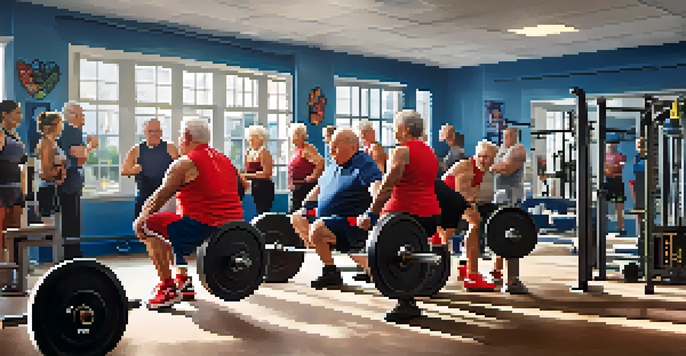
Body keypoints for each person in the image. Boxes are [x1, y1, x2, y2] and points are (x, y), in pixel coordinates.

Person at [134, 117, 244, 310]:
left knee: (149, 225)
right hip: (233, 230)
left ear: (186, 136)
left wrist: (141, 218)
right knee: (175, 221)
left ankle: (168, 289)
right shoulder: (226, 160)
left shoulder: (184, 163)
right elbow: (244, 186)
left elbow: (159, 196)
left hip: (202, 230)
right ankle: (183, 282)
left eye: (179, 135)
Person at [357, 109, 441, 322]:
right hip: (430, 216)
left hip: (403, 216)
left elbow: (387, 186)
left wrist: (371, 213)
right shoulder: (430, 152)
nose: (394, 132)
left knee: (380, 252)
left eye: (396, 128)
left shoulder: (401, 151)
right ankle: (414, 284)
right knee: (405, 253)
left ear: (404, 129)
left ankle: (406, 302)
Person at [291, 128, 382, 288]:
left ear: (353, 147)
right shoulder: (334, 164)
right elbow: (320, 187)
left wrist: (373, 212)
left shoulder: (363, 162)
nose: (331, 150)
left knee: (318, 229)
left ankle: (336, 262)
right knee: (297, 218)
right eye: (330, 146)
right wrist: (306, 204)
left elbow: (376, 185)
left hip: (353, 221)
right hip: (331, 219)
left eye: (336, 147)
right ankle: (331, 264)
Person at [437, 140, 500, 291]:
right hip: (442, 201)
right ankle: (472, 275)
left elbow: (473, 196)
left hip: (448, 201)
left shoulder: (480, 171)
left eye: (487, 158)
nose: (483, 160)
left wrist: (472, 207)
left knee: (470, 224)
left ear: (493, 159)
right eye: (481, 156)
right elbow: (460, 197)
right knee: (474, 222)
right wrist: (471, 210)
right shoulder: (467, 167)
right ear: (476, 155)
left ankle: (464, 266)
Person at [58, 103, 99, 259]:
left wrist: (86, 148)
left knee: (73, 220)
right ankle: (71, 255)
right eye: (81, 115)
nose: (83, 119)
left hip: (73, 182)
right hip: (68, 183)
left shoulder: (74, 132)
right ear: (72, 115)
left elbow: (80, 159)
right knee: (70, 219)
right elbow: (79, 155)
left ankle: (73, 253)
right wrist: (90, 146)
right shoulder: (70, 131)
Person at [121, 119, 179, 219]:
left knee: (165, 230)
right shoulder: (136, 150)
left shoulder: (170, 148)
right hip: (144, 197)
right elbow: (124, 171)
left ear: (161, 133)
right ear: (144, 132)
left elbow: (181, 169)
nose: (153, 134)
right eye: (150, 131)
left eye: (157, 131)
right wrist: (132, 171)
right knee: (142, 229)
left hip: (165, 198)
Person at [0, 100, 26, 263]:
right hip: (2, 188)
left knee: (15, 233)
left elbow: (22, 163)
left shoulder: (15, 135)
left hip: (16, 188)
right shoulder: (1, 134)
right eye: (17, 112)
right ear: (5, 114)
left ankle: (15, 274)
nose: (20, 116)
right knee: (2, 236)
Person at [36, 112, 67, 221]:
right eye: (60, 124)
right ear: (53, 126)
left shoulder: (53, 143)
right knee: (50, 227)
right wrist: (59, 173)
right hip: (48, 190)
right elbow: (45, 172)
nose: (61, 127)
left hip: (53, 188)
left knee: (56, 226)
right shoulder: (47, 143)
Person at [288, 123, 324, 213]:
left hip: (304, 187)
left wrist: (313, 176)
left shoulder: (307, 149)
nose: (293, 139)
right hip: (296, 188)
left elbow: (320, 162)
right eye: (292, 136)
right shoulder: (297, 150)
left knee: (298, 213)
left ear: (302, 136)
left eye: (295, 136)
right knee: (294, 213)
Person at [490, 127, 527, 205]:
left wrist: (492, 167)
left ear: (514, 137)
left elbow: (507, 169)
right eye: (504, 136)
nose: (504, 139)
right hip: (500, 193)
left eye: (507, 136)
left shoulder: (518, 149)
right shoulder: (502, 150)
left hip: (512, 195)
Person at [243, 125, 275, 214]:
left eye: (254, 139)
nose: (251, 141)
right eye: (250, 139)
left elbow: (267, 173)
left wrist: (245, 175)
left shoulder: (264, 153)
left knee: (263, 211)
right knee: (257, 210)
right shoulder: (250, 153)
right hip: (255, 186)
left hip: (264, 187)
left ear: (261, 139)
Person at [605, 142, 627, 236]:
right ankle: (603, 227)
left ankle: (620, 227)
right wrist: (613, 167)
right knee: (604, 204)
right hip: (609, 180)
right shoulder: (604, 156)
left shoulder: (621, 156)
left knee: (619, 205)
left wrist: (610, 168)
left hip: (617, 180)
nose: (612, 146)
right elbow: (604, 168)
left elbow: (620, 167)